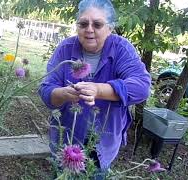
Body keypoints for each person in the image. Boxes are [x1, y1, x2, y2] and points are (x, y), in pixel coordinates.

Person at [38, 0, 151, 178]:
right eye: (83, 24)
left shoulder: (121, 49)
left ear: (110, 28)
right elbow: (45, 90)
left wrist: (99, 90)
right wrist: (62, 94)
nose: (89, 29)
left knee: (96, 174)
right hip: (65, 141)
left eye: (97, 24)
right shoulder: (66, 49)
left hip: (102, 145)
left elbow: (142, 87)